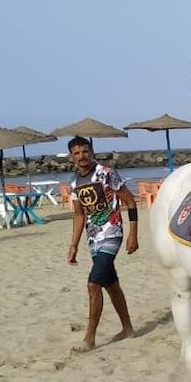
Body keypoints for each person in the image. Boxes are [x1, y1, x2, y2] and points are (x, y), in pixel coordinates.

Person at [65, 136, 138, 352]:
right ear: (71, 157)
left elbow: (131, 201)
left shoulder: (106, 173)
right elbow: (79, 216)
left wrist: (133, 234)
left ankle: (89, 338)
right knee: (110, 283)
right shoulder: (74, 183)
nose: (82, 156)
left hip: (112, 233)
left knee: (93, 284)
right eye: (77, 153)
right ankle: (128, 328)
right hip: (93, 238)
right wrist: (73, 246)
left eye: (85, 151)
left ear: (92, 152)